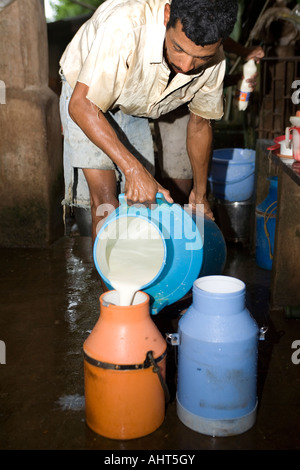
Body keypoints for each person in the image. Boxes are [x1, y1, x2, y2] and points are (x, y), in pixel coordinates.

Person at [59, 0, 239, 242]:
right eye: (178, 48)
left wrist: (200, 194)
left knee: (142, 200)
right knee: (105, 201)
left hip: (134, 97)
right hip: (86, 92)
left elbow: (199, 125)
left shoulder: (215, 62)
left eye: (201, 58)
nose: (186, 66)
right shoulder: (125, 27)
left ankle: (143, 274)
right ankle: (111, 279)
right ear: (167, 15)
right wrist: (133, 169)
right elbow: (81, 106)